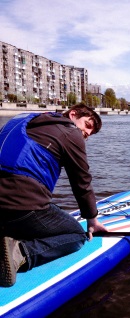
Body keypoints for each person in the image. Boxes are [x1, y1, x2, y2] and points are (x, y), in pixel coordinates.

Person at [0, 103, 108, 287]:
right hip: (20, 207)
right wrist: (92, 219)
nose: (87, 134)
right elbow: (82, 182)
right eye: (88, 125)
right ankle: (20, 252)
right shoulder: (70, 132)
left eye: (91, 134)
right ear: (73, 114)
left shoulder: (23, 122)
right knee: (76, 234)